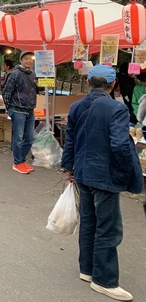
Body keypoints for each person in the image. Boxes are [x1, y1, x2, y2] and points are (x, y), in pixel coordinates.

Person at [61, 64, 143, 301]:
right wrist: (127, 170)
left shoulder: (77, 106)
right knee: (108, 227)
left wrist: (68, 167)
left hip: (83, 173)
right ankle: (104, 280)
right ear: (113, 84)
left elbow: (70, 140)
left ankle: (87, 269)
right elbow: (119, 145)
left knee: (89, 222)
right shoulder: (116, 109)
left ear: (88, 82)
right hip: (105, 176)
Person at [2, 51, 37, 174]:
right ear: (21, 61)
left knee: (30, 137)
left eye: (30, 58)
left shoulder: (33, 74)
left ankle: (22, 161)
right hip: (17, 110)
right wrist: (9, 109)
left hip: (30, 110)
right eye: (26, 58)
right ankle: (17, 163)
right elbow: (6, 92)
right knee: (18, 137)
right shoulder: (15, 74)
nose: (29, 61)